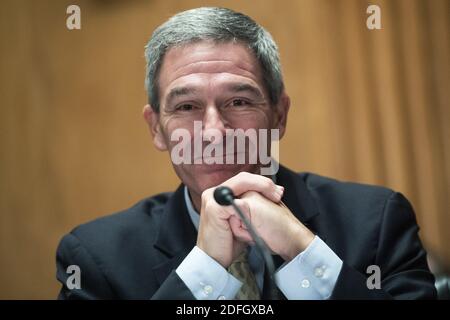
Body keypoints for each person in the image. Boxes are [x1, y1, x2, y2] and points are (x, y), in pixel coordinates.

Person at [56, 7, 436, 300]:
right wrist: (204, 269)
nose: (214, 132)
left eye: (238, 101)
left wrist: (302, 251)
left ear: (279, 115)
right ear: (156, 128)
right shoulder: (95, 256)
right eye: (186, 107)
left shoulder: (377, 221)